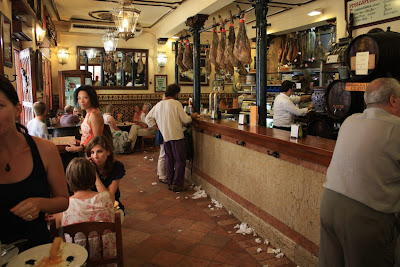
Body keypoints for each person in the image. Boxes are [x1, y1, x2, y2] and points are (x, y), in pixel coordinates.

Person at [319, 78, 400, 267]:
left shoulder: (349, 120)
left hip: (329, 205)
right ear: (393, 100)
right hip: (365, 217)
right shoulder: (396, 128)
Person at [0, 76, 69, 248]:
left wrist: (38, 204)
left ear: (17, 110)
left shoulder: (45, 150)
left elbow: (63, 200)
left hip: (36, 250)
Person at [56, 157, 115, 259]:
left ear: (69, 179)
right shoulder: (106, 198)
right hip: (106, 259)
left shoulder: (64, 206)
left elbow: (57, 235)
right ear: (93, 177)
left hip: (76, 261)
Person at [146, 84, 198, 192]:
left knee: (169, 159)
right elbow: (185, 120)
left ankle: (170, 182)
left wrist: (158, 127)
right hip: (177, 136)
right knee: (180, 160)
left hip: (166, 137)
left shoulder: (159, 105)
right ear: (175, 93)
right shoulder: (176, 103)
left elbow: (148, 119)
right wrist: (191, 117)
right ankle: (177, 184)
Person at [87, 136, 125, 221]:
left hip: (111, 204)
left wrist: (95, 175)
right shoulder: (86, 167)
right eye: (92, 152)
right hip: (91, 205)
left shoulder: (116, 167)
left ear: (108, 152)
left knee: (115, 219)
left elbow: (108, 198)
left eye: (99, 151)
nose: (95, 156)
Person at [65, 85, 104, 153]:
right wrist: (80, 142)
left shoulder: (94, 114)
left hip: (92, 153)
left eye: (85, 97)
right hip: (86, 149)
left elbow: (97, 140)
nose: (81, 101)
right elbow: (89, 137)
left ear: (91, 98)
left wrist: (78, 148)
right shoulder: (89, 113)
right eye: (79, 98)